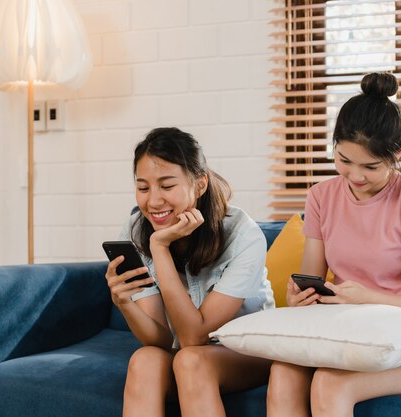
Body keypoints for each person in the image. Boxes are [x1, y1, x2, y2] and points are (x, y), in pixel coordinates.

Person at [266, 72, 401, 417]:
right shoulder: (321, 196)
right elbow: (311, 279)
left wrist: (367, 297)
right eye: (344, 160)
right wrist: (300, 295)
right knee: (282, 372)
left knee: (329, 383)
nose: (355, 176)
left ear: (398, 152)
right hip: (344, 332)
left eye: (370, 166)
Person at [105, 127, 275, 417]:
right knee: (144, 359)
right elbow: (158, 339)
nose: (153, 201)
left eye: (167, 186)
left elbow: (194, 338)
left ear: (199, 184)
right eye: (143, 188)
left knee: (191, 360)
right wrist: (124, 305)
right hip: (183, 351)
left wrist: (159, 249)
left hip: (249, 352)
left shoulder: (244, 236)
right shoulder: (135, 230)